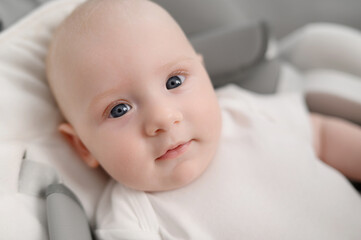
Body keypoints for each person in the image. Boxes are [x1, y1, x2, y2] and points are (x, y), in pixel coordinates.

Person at [46, 0, 361, 239]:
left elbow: (321, 135)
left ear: (204, 72)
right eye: (119, 110)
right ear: (82, 145)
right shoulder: (133, 216)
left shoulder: (243, 111)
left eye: (174, 82)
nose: (163, 118)